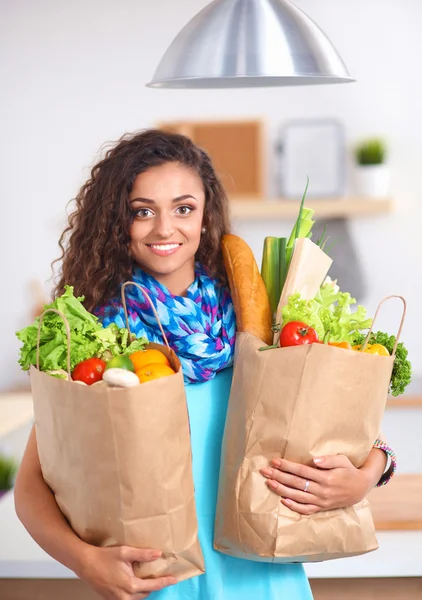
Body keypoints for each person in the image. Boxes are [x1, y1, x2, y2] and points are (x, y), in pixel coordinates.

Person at [14, 129, 396, 600]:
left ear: (205, 216)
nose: (164, 229)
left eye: (183, 208)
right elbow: (31, 485)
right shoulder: (98, 340)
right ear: (117, 221)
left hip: (266, 583)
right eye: (142, 211)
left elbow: (357, 435)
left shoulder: (260, 320)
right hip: (159, 587)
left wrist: (364, 477)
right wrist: (87, 562)